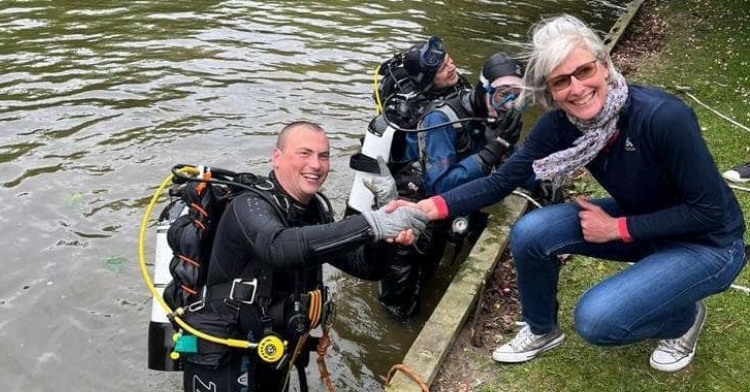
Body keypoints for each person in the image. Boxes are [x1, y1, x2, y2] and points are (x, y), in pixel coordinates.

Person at [395, 14, 747, 372]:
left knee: (597, 321)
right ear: (549, 92)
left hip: (710, 243)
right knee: (530, 232)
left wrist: (618, 229)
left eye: (584, 71)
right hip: (643, 220)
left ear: (605, 66)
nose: (576, 89)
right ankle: (541, 329)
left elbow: (710, 212)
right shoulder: (563, 125)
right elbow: (501, 182)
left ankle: (683, 319)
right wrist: (423, 209)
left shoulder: (663, 117)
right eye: (561, 81)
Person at [180, 121, 429, 392]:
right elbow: (277, 247)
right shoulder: (249, 206)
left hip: (276, 342)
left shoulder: (313, 210)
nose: (316, 164)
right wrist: (373, 224)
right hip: (228, 345)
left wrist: (385, 219)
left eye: (323, 156)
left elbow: (365, 267)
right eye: (304, 153)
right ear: (276, 157)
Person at [378, 52, 529, 320]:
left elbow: (511, 156)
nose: (509, 103)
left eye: (518, 97)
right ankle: (396, 323)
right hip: (416, 203)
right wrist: (492, 151)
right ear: (484, 89)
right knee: (402, 296)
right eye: (502, 94)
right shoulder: (441, 120)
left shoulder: (493, 115)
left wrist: (538, 179)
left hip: (454, 201)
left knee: (434, 266)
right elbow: (439, 186)